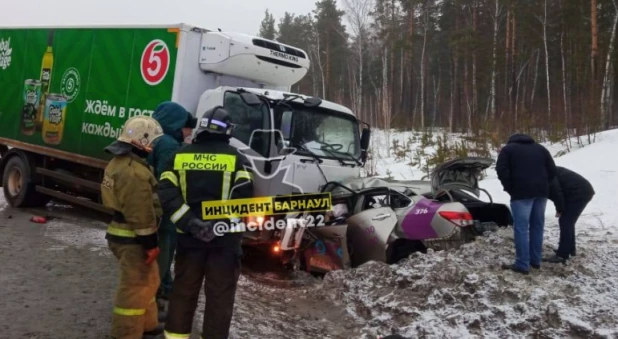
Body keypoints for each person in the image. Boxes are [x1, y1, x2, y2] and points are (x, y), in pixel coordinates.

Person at [157, 106, 254, 339]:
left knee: (183, 291)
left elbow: (167, 192)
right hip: (224, 244)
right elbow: (244, 199)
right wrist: (218, 225)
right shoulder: (238, 159)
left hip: (189, 241)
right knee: (219, 297)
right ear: (227, 131)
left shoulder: (180, 156)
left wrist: (191, 223)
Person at [101, 116, 166, 339]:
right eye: (152, 142)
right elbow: (141, 214)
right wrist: (151, 245)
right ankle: (125, 333)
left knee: (149, 280)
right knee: (134, 287)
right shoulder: (134, 173)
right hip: (132, 239)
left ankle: (147, 324)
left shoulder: (121, 163)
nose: (154, 147)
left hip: (125, 234)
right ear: (142, 141)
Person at [147, 101, 197, 308]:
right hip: (166, 212)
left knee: (165, 253)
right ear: (176, 124)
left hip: (160, 208)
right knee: (164, 254)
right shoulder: (169, 145)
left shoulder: (159, 139)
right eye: (187, 127)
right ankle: (154, 298)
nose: (189, 132)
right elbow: (168, 181)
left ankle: (165, 288)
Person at [496, 133, 557, 275]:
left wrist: (510, 187)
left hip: (520, 194)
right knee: (537, 226)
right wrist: (543, 185)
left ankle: (522, 264)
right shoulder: (541, 149)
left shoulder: (508, 150)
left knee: (521, 228)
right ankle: (535, 261)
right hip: (541, 193)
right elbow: (552, 171)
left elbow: (501, 170)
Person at [544, 166, 595, 263]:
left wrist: (559, 209)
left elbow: (557, 192)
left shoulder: (547, 174)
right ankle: (570, 250)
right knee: (568, 221)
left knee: (565, 221)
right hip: (578, 190)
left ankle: (562, 255)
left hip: (579, 192)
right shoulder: (547, 170)